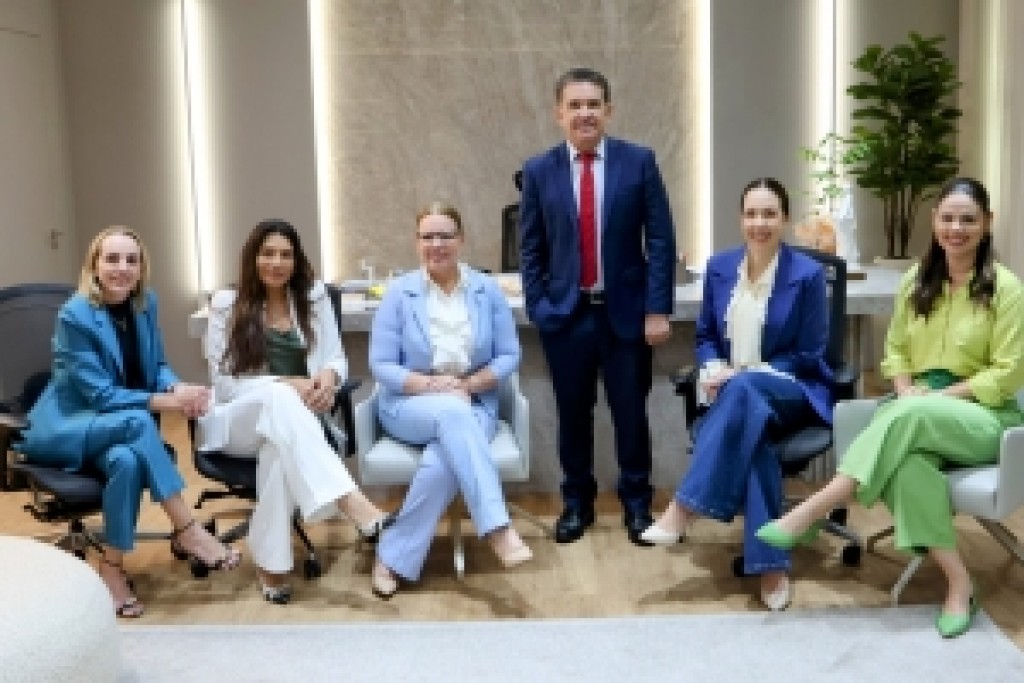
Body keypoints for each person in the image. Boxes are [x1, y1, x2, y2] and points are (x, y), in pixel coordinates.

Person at [757, 177, 1024, 637]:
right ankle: (960, 584)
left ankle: (815, 508)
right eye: (947, 218)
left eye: (967, 220)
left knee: (906, 415)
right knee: (910, 464)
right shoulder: (915, 281)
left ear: (987, 223)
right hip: (916, 407)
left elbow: (1006, 374)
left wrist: (932, 400)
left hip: (986, 418)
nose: (956, 229)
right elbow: (895, 352)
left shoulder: (1007, 289)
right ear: (934, 221)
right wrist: (903, 390)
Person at [17, 227, 240, 618]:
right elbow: (101, 396)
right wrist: (170, 403)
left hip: (115, 428)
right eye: (112, 259)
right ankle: (188, 529)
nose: (122, 268)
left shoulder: (145, 304)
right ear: (94, 265)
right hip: (70, 426)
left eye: (131, 260)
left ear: (141, 268)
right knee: (138, 422)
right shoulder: (75, 315)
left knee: (127, 460)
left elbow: (157, 366)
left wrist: (177, 387)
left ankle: (112, 568)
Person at [640, 178, 834, 610]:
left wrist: (742, 375)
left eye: (769, 214)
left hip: (793, 391)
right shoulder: (720, 267)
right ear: (740, 218)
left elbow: (808, 355)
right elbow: (707, 336)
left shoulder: (806, 275)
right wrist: (712, 368)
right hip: (737, 398)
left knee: (745, 388)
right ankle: (771, 565)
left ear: (784, 219)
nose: (759, 223)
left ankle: (682, 509)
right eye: (751, 214)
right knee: (754, 439)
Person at [518, 66, 677, 545]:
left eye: (593, 105)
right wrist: (539, 307)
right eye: (575, 105)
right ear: (558, 113)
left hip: (625, 314)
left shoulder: (639, 161)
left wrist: (657, 309)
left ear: (608, 110)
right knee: (573, 414)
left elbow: (661, 240)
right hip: (566, 317)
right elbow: (530, 248)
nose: (584, 113)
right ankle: (576, 504)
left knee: (631, 414)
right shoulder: (538, 170)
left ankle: (637, 505)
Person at [199, 219, 391, 604]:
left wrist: (327, 379)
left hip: (295, 425)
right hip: (239, 422)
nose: (277, 263)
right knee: (279, 397)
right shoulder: (226, 304)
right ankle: (353, 504)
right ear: (252, 258)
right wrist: (290, 384)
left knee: (278, 450)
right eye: (268, 254)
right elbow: (225, 385)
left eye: (286, 255)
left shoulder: (313, 298)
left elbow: (336, 358)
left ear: (297, 260)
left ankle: (272, 566)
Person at [368, 202, 531, 598]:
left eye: (445, 236)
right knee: (453, 412)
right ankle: (497, 528)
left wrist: (471, 384)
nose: (436, 244)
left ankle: (391, 557)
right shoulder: (399, 293)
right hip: (408, 404)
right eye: (428, 236)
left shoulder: (486, 290)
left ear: (461, 240)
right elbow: (382, 365)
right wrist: (433, 386)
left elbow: (509, 354)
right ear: (416, 242)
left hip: (474, 402)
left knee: (442, 459)